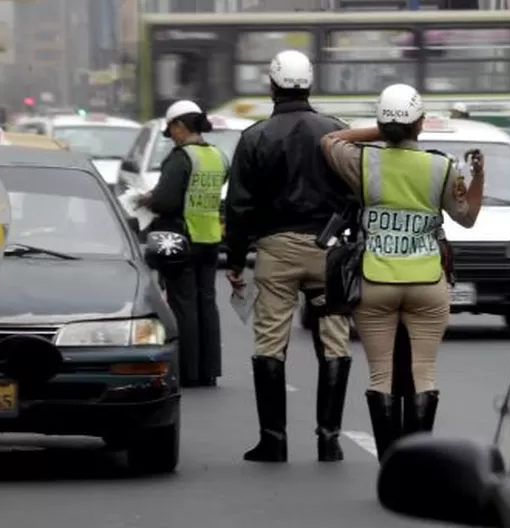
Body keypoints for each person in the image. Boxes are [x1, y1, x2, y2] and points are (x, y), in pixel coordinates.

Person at [320, 83, 485, 460]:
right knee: (423, 372)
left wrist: (382, 130)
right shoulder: (440, 167)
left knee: (381, 376)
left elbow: (330, 139)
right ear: (420, 125)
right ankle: (418, 463)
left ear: (382, 122)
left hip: (375, 280)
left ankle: (390, 462)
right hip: (427, 282)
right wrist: (479, 176)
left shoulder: (363, 162)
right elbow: (468, 218)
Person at [224, 49, 357, 463]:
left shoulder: (254, 137)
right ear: (311, 84)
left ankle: (274, 440)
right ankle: (329, 439)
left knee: (270, 342)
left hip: (276, 250)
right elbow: (357, 193)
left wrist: (234, 259)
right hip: (329, 250)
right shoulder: (337, 132)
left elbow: (240, 207)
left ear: (272, 85)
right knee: (334, 341)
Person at [137, 99, 225, 388]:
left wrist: (147, 198)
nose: (171, 135)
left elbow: (166, 201)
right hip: (210, 239)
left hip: (181, 241)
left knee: (183, 305)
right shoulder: (217, 155)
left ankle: (188, 371)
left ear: (180, 126)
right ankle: (208, 370)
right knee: (207, 304)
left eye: (171, 129)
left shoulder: (180, 158)